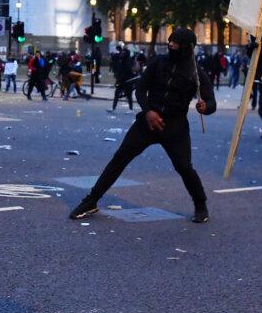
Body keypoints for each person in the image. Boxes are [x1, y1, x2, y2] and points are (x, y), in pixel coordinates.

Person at [69, 28, 215, 224]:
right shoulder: (158, 62)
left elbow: (211, 102)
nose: (171, 45)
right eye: (170, 41)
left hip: (175, 127)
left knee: (184, 167)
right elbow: (140, 89)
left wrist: (205, 107)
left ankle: (200, 205)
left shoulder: (196, 73)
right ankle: (91, 200)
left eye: (176, 43)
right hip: (147, 123)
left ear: (187, 47)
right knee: (120, 158)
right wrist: (148, 111)